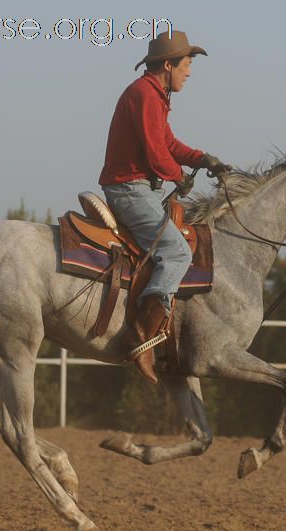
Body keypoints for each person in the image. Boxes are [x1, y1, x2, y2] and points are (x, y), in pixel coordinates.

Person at [99, 30, 231, 384]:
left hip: (136, 187)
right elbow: (157, 154)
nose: (189, 72)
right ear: (168, 64)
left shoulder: (154, 95)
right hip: (128, 189)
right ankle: (143, 337)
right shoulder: (144, 94)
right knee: (176, 252)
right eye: (187, 65)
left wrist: (202, 159)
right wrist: (178, 177)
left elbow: (167, 142)